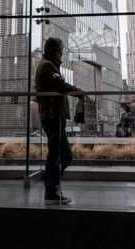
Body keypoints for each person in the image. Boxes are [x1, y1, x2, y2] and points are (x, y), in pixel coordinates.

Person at [34, 37, 84, 205]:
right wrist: (79, 92)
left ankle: (54, 186)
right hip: (52, 115)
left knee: (63, 154)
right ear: (56, 51)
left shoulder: (49, 65)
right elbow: (61, 86)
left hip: (55, 115)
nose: (62, 53)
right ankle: (51, 190)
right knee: (58, 153)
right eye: (61, 50)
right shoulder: (47, 66)